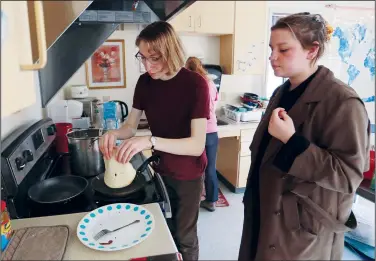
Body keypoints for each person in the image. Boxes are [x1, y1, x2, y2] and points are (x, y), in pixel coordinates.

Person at [238, 13, 371, 261]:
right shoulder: (281, 91)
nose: (272, 57)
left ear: (312, 51)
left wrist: (293, 141)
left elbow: (348, 176)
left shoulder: (343, 102)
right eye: (271, 48)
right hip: (264, 209)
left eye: (283, 49)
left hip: (301, 227)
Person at [99, 21, 210, 261]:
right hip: (159, 169)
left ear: (171, 51)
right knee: (163, 231)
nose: (148, 66)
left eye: (155, 58)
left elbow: (196, 145)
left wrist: (149, 140)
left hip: (187, 174)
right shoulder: (145, 83)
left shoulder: (195, 84)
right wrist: (112, 134)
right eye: (143, 57)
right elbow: (129, 127)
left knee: (185, 236)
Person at [185, 57, 219, 212]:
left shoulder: (191, 85)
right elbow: (215, 102)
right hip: (212, 131)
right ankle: (211, 201)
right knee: (210, 168)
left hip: (196, 131)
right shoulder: (211, 84)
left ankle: (193, 200)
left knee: (195, 167)